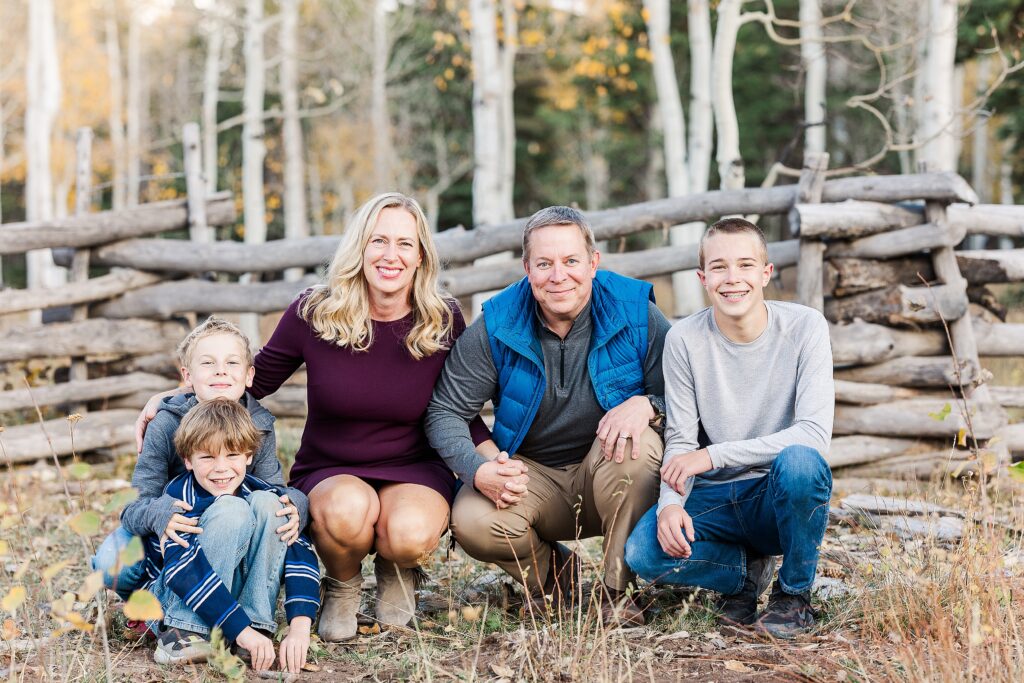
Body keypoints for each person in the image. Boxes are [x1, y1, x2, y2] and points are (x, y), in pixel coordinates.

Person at [136, 192, 490, 641]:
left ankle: (398, 573)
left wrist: (489, 463)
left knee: (408, 530)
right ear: (359, 247)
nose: (390, 255)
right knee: (346, 511)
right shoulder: (315, 311)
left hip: (416, 468)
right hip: (332, 468)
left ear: (421, 256)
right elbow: (252, 379)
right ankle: (342, 583)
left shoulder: (442, 318)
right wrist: (174, 394)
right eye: (378, 240)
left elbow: (461, 408)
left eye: (405, 243)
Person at [425, 205, 671, 626]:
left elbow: (683, 392)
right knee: (471, 519)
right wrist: (477, 470)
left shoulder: (636, 314)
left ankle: (616, 592)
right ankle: (554, 578)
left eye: (571, 261)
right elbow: (444, 411)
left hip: (612, 473)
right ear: (527, 268)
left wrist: (650, 404)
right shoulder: (498, 324)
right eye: (544, 263)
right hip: (533, 475)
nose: (559, 275)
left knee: (638, 442)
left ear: (593, 263)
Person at [624, 217, 834, 638]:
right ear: (703, 278)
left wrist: (713, 455)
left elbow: (813, 435)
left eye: (745, 265)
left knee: (800, 463)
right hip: (715, 495)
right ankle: (742, 579)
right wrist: (670, 503)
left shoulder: (805, 327)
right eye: (719, 267)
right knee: (644, 552)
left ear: (766, 273)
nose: (732, 279)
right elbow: (681, 439)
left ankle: (793, 598)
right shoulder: (683, 339)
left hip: (773, 496)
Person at [92, 318, 305, 613]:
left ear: (249, 375)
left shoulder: (259, 424)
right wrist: (161, 515)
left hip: (228, 527)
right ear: (187, 376)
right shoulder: (166, 422)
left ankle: (240, 605)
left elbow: (273, 491)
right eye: (208, 363)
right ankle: (151, 600)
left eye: (232, 363)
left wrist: (295, 505)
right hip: (172, 529)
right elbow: (135, 505)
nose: (220, 370)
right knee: (111, 565)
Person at [139, 399, 319, 672]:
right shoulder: (179, 500)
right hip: (176, 600)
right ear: (188, 460)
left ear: (249, 456)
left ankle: (255, 625)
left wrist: (300, 627)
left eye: (232, 455)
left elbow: (298, 551)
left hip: (229, 606)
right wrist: (240, 630)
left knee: (270, 506)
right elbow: (181, 571)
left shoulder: (259, 491)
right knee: (231, 510)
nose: (221, 468)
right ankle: (184, 633)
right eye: (208, 457)